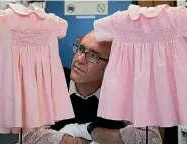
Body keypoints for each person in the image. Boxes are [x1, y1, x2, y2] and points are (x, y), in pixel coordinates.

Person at [22, 30, 162, 144]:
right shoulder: (52, 82)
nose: (80, 59)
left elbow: (152, 138)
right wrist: (68, 139)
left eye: (93, 56)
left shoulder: (124, 91)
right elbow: (27, 137)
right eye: (80, 49)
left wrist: (93, 132)